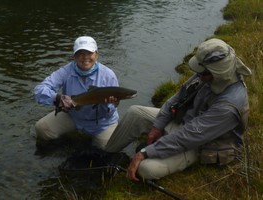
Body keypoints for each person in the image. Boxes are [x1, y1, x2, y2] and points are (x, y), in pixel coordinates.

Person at [104, 38, 252, 181]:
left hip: (200, 143)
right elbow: (175, 100)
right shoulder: (206, 74)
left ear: (218, 74)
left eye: (203, 73)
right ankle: (105, 156)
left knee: (146, 169)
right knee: (135, 113)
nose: (198, 75)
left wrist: (144, 153)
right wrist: (157, 126)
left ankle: (143, 158)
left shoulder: (229, 105)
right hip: (184, 123)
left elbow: (190, 136)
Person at [34, 36, 119, 150]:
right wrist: (57, 98)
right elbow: (39, 90)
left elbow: (108, 114)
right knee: (42, 129)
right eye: (80, 54)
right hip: (73, 116)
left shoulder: (108, 75)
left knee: (107, 149)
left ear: (96, 54)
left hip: (102, 124)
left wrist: (107, 104)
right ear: (74, 56)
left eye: (89, 53)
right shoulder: (66, 71)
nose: (85, 58)